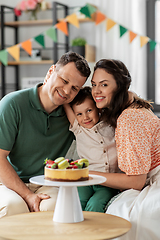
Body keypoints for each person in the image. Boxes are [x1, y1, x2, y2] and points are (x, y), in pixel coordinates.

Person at [0, 51, 91, 218]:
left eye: (74, 88)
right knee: (14, 208)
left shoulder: (73, 115)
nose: (66, 91)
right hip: (7, 183)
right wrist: (27, 195)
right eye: (64, 81)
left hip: (46, 183)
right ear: (51, 71)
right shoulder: (12, 104)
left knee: (55, 209)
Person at [89, 59, 160, 240]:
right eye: (94, 84)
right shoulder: (134, 105)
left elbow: (136, 182)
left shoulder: (129, 118)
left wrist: (88, 175)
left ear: (120, 86)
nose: (96, 91)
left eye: (104, 85)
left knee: (123, 215)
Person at [64, 86, 119, 213]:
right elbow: (66, 103)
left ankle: (94, 231)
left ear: (98, 109)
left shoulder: (110, 123)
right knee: (77, 200)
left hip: (107, 182)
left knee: (95, 204)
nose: (85, 117)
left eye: (89, 110)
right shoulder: (78, 128)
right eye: (79, 114)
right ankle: (77, 229)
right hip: (86, 180)